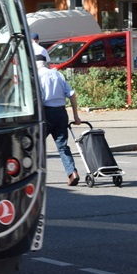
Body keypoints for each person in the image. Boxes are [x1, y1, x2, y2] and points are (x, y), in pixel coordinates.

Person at [36, 54, 82, 185]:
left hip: (46, 114)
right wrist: (76, 116)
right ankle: (72, 172)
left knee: (35, 145)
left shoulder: (38, 77)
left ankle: (34, 176)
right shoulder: (58, 75)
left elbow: (38, 99)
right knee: (62, 146)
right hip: (61, 113)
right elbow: (72, 94)